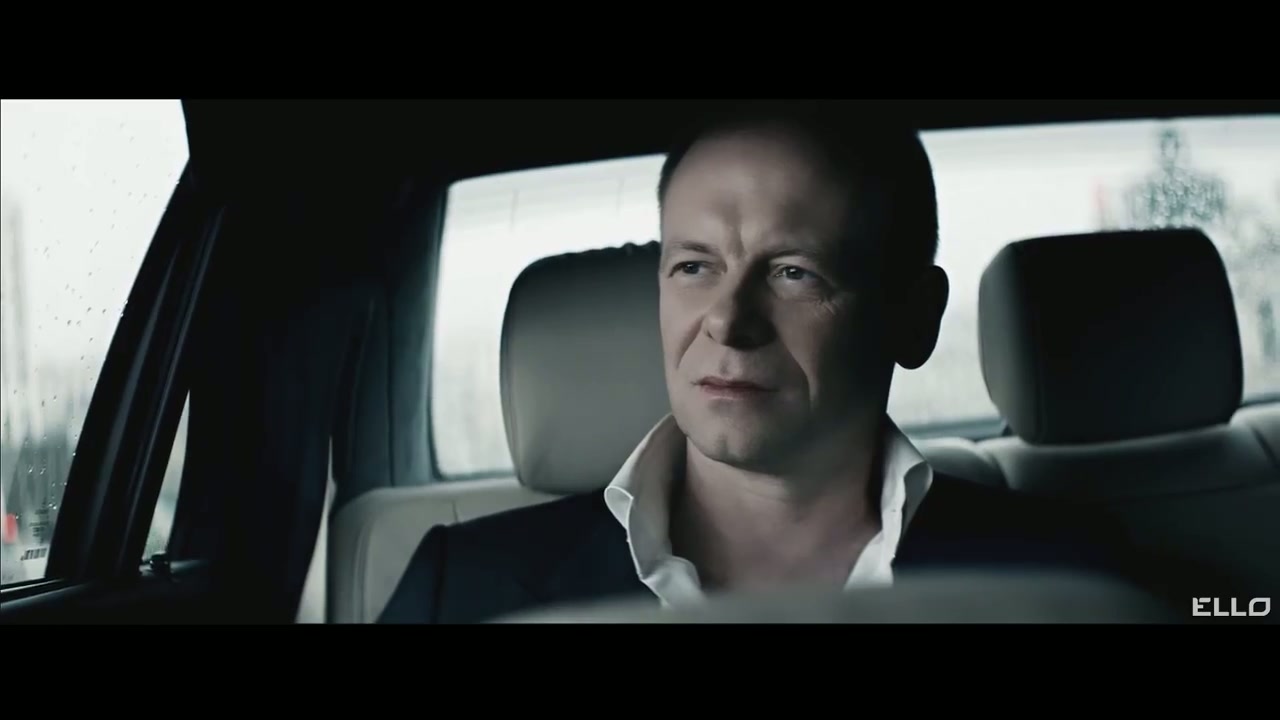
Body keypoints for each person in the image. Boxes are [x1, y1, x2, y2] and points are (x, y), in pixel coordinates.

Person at [379, 101, 1148, 624]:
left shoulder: (1074, 582)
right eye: (694, 267)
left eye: (792, 273)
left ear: (914, 318)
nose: (727, 320)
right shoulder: (462, 589)